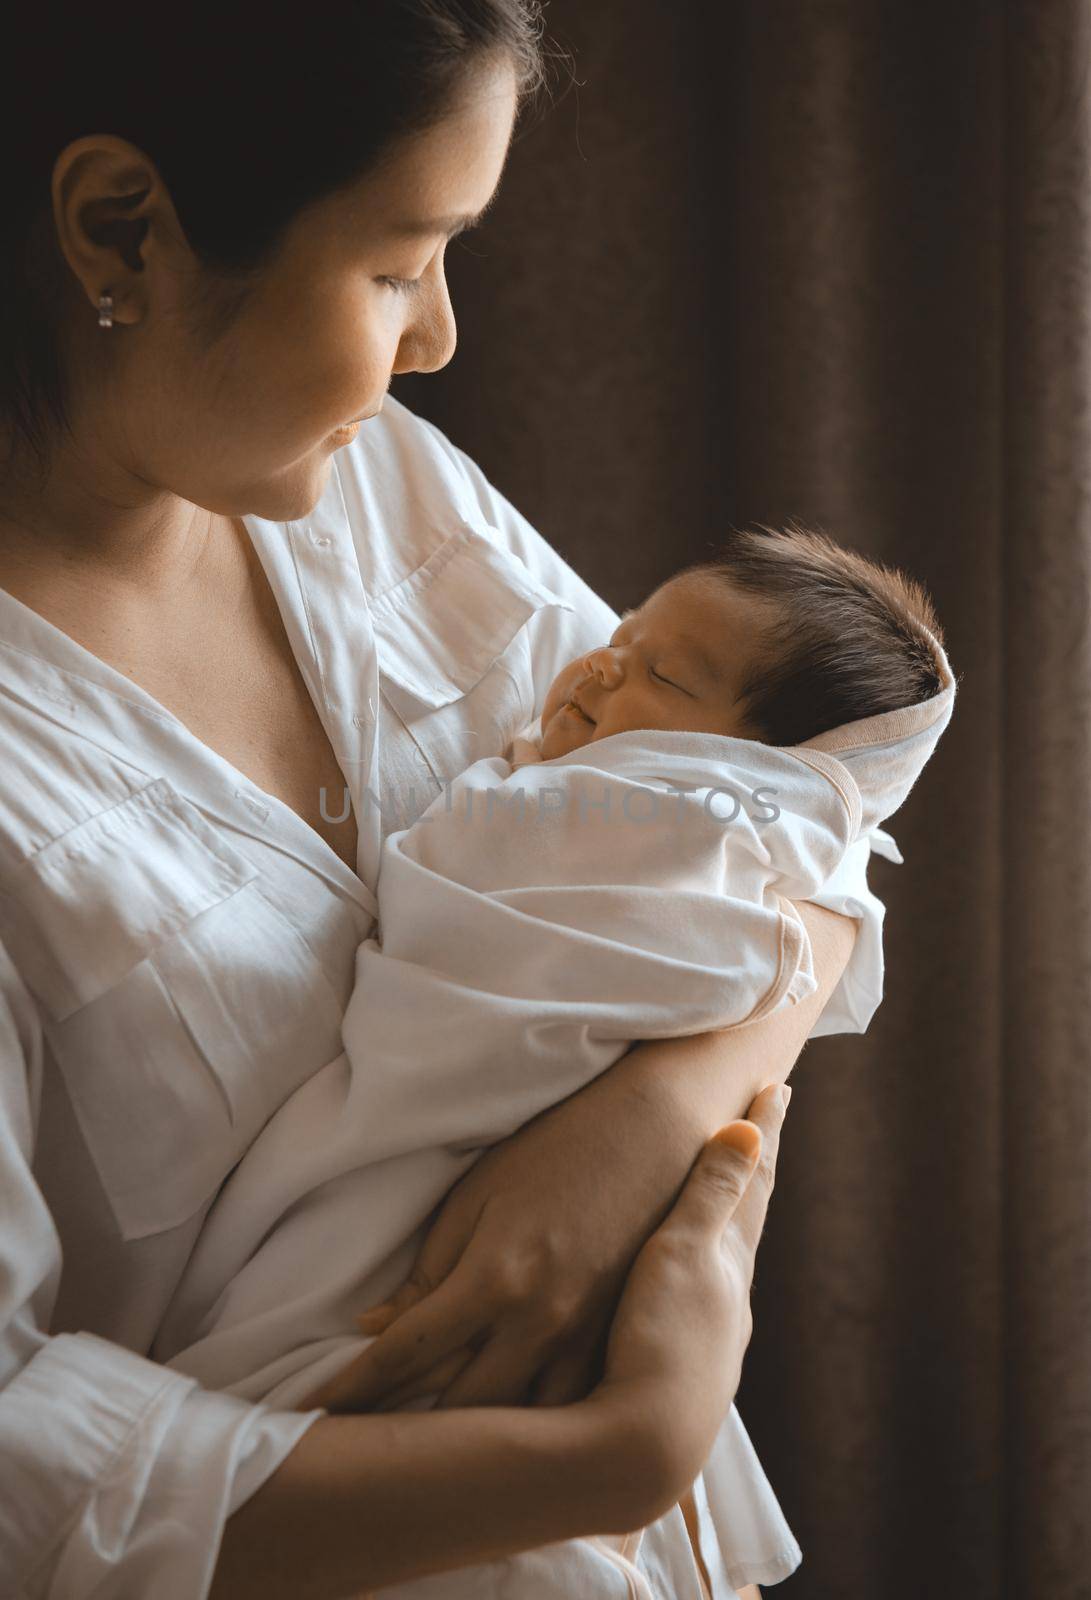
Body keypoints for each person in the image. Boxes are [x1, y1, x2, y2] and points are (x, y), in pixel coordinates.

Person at [0, 5, 858, 1596]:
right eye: (401, 262)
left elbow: (803, 821)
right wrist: (622, 1451)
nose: (442, 335)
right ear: (121, 226)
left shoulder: (382, 488)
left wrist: (654, 1116)